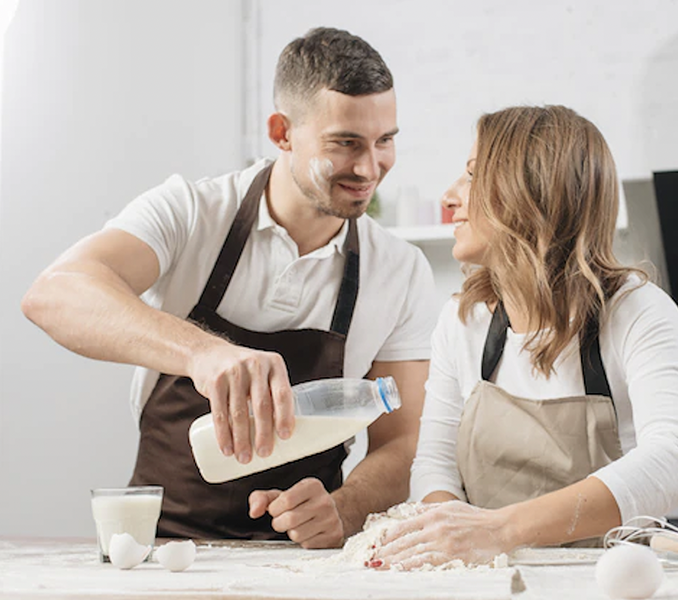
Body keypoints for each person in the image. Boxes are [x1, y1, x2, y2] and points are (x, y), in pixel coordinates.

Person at [21, 27, 436, 547]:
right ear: (282, 131)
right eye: (345, 143)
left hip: (305, 565)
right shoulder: (191, 213)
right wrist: (203, 355)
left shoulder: (399, 270)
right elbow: (55, 293)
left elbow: (404, 443)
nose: (370, 167)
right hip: (159, 552)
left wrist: (344, 509)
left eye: (385, 141)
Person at [373, 105, 678, 569]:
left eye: (472, 176)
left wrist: (500, 530)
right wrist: (447, 546)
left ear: (527, 194)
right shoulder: (461, 320)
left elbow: (676, 460)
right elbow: (435, 464)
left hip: (610, 581)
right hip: (488, 580)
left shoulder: (636, 311)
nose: (450, 196)